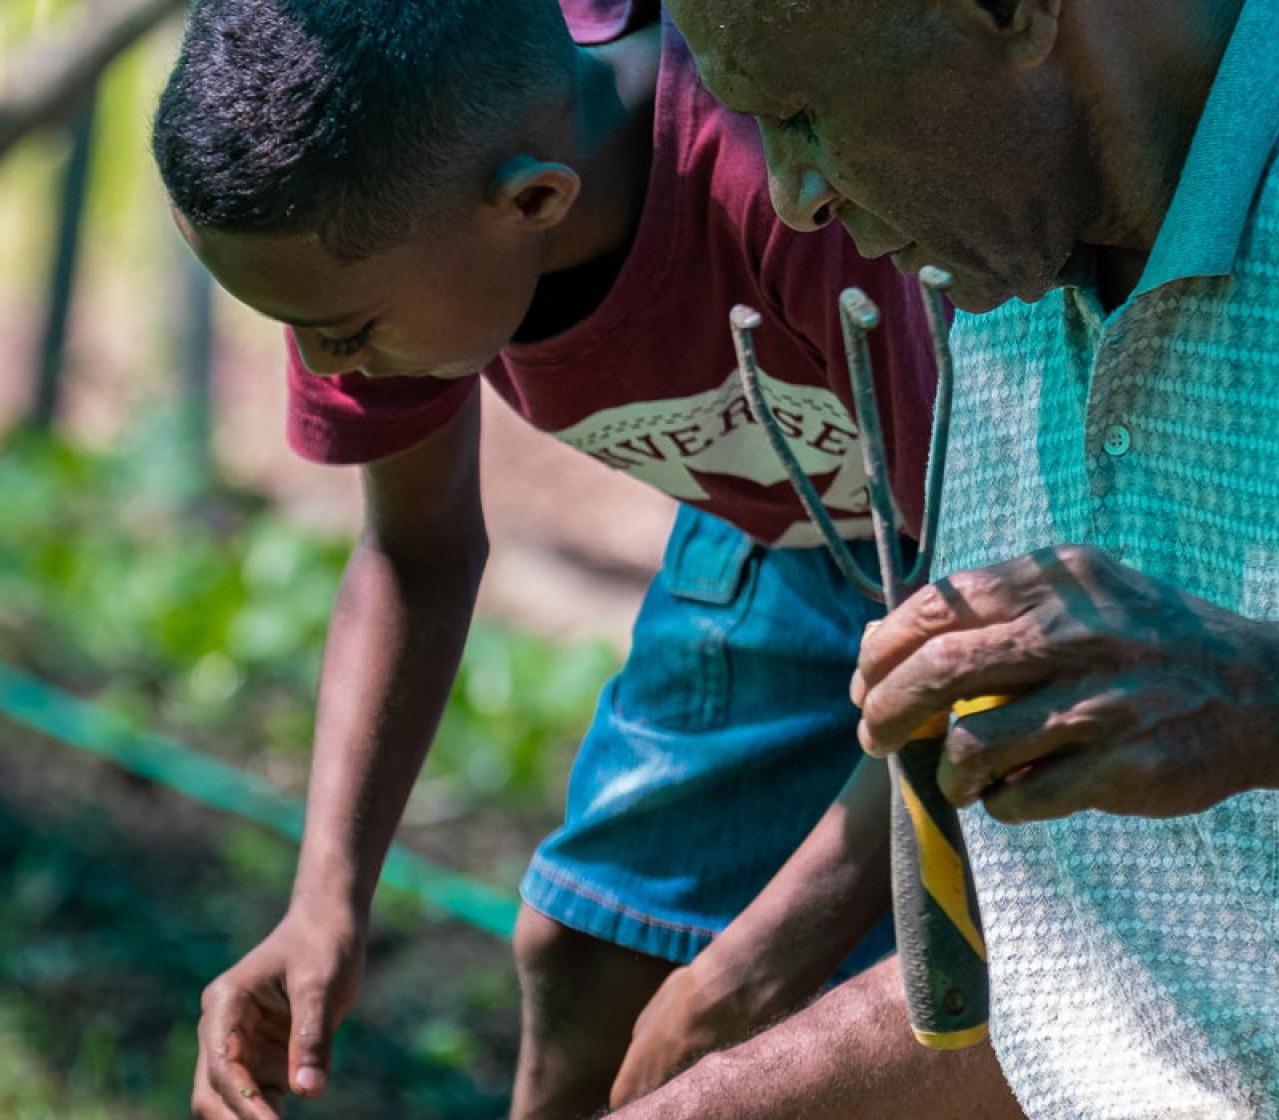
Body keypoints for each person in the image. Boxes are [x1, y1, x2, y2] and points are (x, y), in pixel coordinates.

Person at [149, 1, 949, 1115]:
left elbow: (975, 636)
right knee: (588, 954)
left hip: (993, 559)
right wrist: (324, 899)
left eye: (344, 329)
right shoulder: (386, 218)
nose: (327, 360)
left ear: (533, 201)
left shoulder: (792, 187)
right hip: (778, 531)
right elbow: (412, 554)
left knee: (864, 1026)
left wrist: (751, 965)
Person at [617, 0, 1279, 1114]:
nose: (793, 196)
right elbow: (1102, 1002)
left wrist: (1263, 696)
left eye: (805, 115)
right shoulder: (1009, 265)